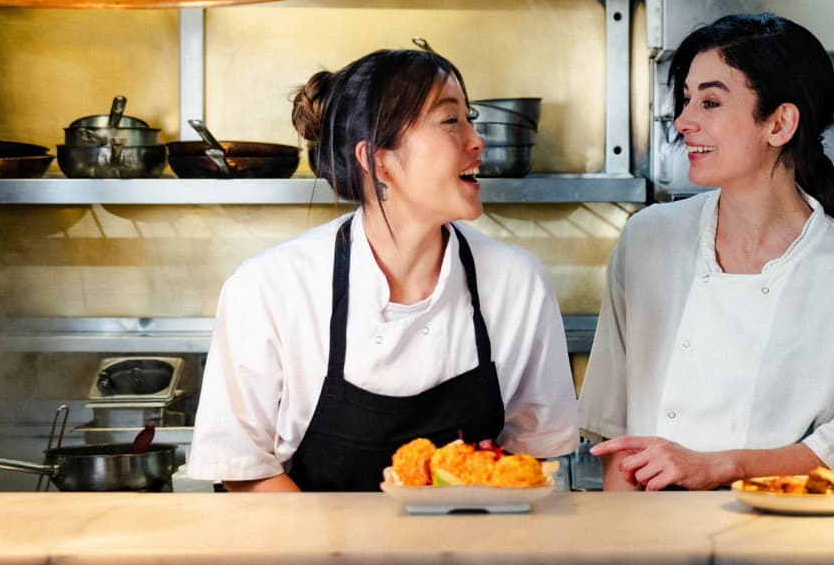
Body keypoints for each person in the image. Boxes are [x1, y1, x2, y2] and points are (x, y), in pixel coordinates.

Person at [187, 47, 578, 492]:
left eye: (470, 119)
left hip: (476, 552)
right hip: (312, 553)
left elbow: (533, 458)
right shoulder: (269, 288)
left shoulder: (517, 283)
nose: (477, 140)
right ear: (378, 161)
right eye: (452, 121)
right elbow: (245, 472)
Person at [578, 13, 834, 490]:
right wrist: (632, 544)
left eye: (710, 102)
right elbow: (616, 431)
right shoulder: (648, 240)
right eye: (686, 99)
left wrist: (719, 465)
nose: (684, 121)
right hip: (652, 535)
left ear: (779, 123)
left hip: (781, 542)